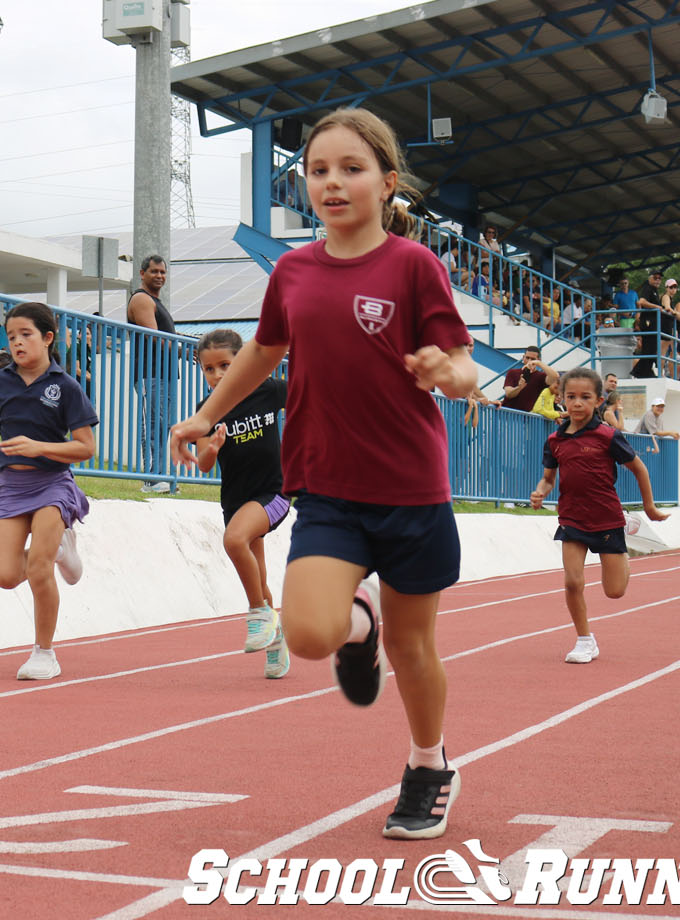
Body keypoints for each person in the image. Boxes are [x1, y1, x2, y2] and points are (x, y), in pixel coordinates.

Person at [170, 107, 477, 840]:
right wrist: (204, 414)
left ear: (387, 182)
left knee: (413, 648)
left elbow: (461, 363)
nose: (332, 183)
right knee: (308, 634)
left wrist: (450, 374)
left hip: (410, 487)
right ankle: (355, 621)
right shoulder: (295, 271)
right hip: (328, 484)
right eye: (317, 171)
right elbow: (262, 352)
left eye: (351, 168)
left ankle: (430, 764)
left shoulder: (413, 266)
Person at [0, 302, 96, 681]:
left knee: (38, 568)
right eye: (11, 337)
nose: (18, 343)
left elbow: (86, 447)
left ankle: (44, 652)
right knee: (5, 575)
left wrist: (41, 448)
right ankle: (59, 550)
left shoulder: (65, 387)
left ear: (47, 338)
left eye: (26, 335)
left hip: (53, 485)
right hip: (12, 488)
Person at [530, 366, 668, 664]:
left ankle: (625, 555)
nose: (577, 403)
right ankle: (584, 640)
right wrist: (541, 490)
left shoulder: (608, 436)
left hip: (606, 518)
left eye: (585, 397)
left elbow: (639, 468)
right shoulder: (555, 440)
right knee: (572, 582)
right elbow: (549, 478)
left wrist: (649, 507)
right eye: (571, 397)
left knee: (614, 592)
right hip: (571, 518)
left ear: (597, 400)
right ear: (562, 399)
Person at [192, 328, 292, 680]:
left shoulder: (269, 390)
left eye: (225, 365)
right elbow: (204, 463)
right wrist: (212, 449)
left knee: (234, 541)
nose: (218, 375)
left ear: (243, 363)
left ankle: (257, 614)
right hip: (235, 499)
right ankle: (277, 639)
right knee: (259, 576)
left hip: (273, 493)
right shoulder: (205, 411)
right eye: (209, 369)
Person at [127, 254, 176, 493]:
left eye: (163, 272)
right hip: (150, 373)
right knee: (153, 424)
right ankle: (151, 479)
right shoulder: (141, 299)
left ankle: (160, 475)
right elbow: (155, 337)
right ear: (142, 273)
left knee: (164, 425)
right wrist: (181, 352)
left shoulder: (157, 302)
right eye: (154, 271)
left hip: (165, 375)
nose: (159, 276)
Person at [501, 346, 555, 412]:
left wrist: (539, 363)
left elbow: (555, 377)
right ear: (523, 357)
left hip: (527, 418)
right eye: (527, 358)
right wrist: (519, 387)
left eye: (533, 359)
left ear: (538, 360)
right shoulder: (512, 372)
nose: (529, 361)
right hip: (508, 414)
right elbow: (508, 394)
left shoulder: (541, 376)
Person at [631, 269, 663, 378]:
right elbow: (642, 302)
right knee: (649, 348)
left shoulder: (655, 290)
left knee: (652, 348)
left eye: (659, 278)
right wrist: (657, 307)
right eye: (655, 277)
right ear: (649, 278)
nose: (657, 280)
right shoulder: (647, 288)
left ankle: (644, 371)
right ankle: (640, 371)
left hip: (653, 322)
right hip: (648, 321)